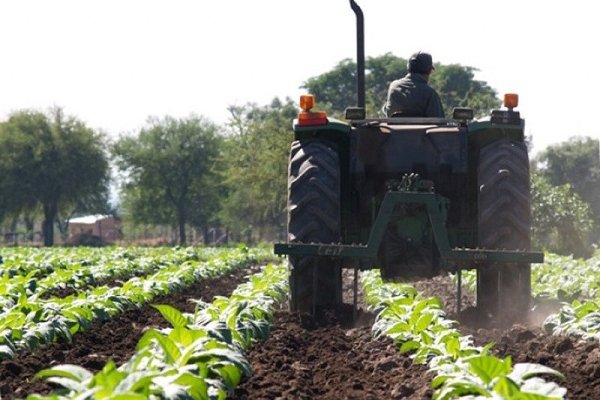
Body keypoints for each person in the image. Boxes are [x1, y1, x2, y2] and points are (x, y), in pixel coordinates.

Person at [383, 51, 445, 118]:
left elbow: (387, 109)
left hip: (393, 128)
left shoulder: (393, 86)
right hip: (420, 128)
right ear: (429, 71)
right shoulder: (430, 93)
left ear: (408, 68)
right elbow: (439, 120)